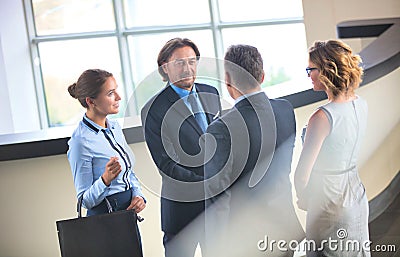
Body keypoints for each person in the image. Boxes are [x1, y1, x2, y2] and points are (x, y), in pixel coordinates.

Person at [203, 44, 304, 257]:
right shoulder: (285, 110)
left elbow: (217, 199)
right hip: (285, 227)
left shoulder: (221, 129)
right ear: (263, 75)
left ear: (227, 81)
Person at [141, 38, 222, 257]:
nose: (187, 68)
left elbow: (223, 143)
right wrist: (207, 184)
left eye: (192, 61)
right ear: (165, 67)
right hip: (182, 210)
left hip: (217, 208)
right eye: (179, 63)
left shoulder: (212, 93)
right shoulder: (153, 109)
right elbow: (166, 164)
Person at [294, 39, 370, 256]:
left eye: (311, 69)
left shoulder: (322, 117)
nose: (308, 74)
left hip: (328, 202)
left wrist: (304, 198)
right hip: (356, 195)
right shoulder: (361, 104)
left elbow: (301, 175)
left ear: (327, 70)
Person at [67, 69, 146, 250]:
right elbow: (84, 200)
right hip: (103, 225)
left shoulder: (115, 128)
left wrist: (138, 194)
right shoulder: (80, 142)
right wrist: (105, 180)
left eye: (116, 90)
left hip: (127, 219)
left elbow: (129, 171)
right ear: (91, 101)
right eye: (111, 93)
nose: (118, 97)